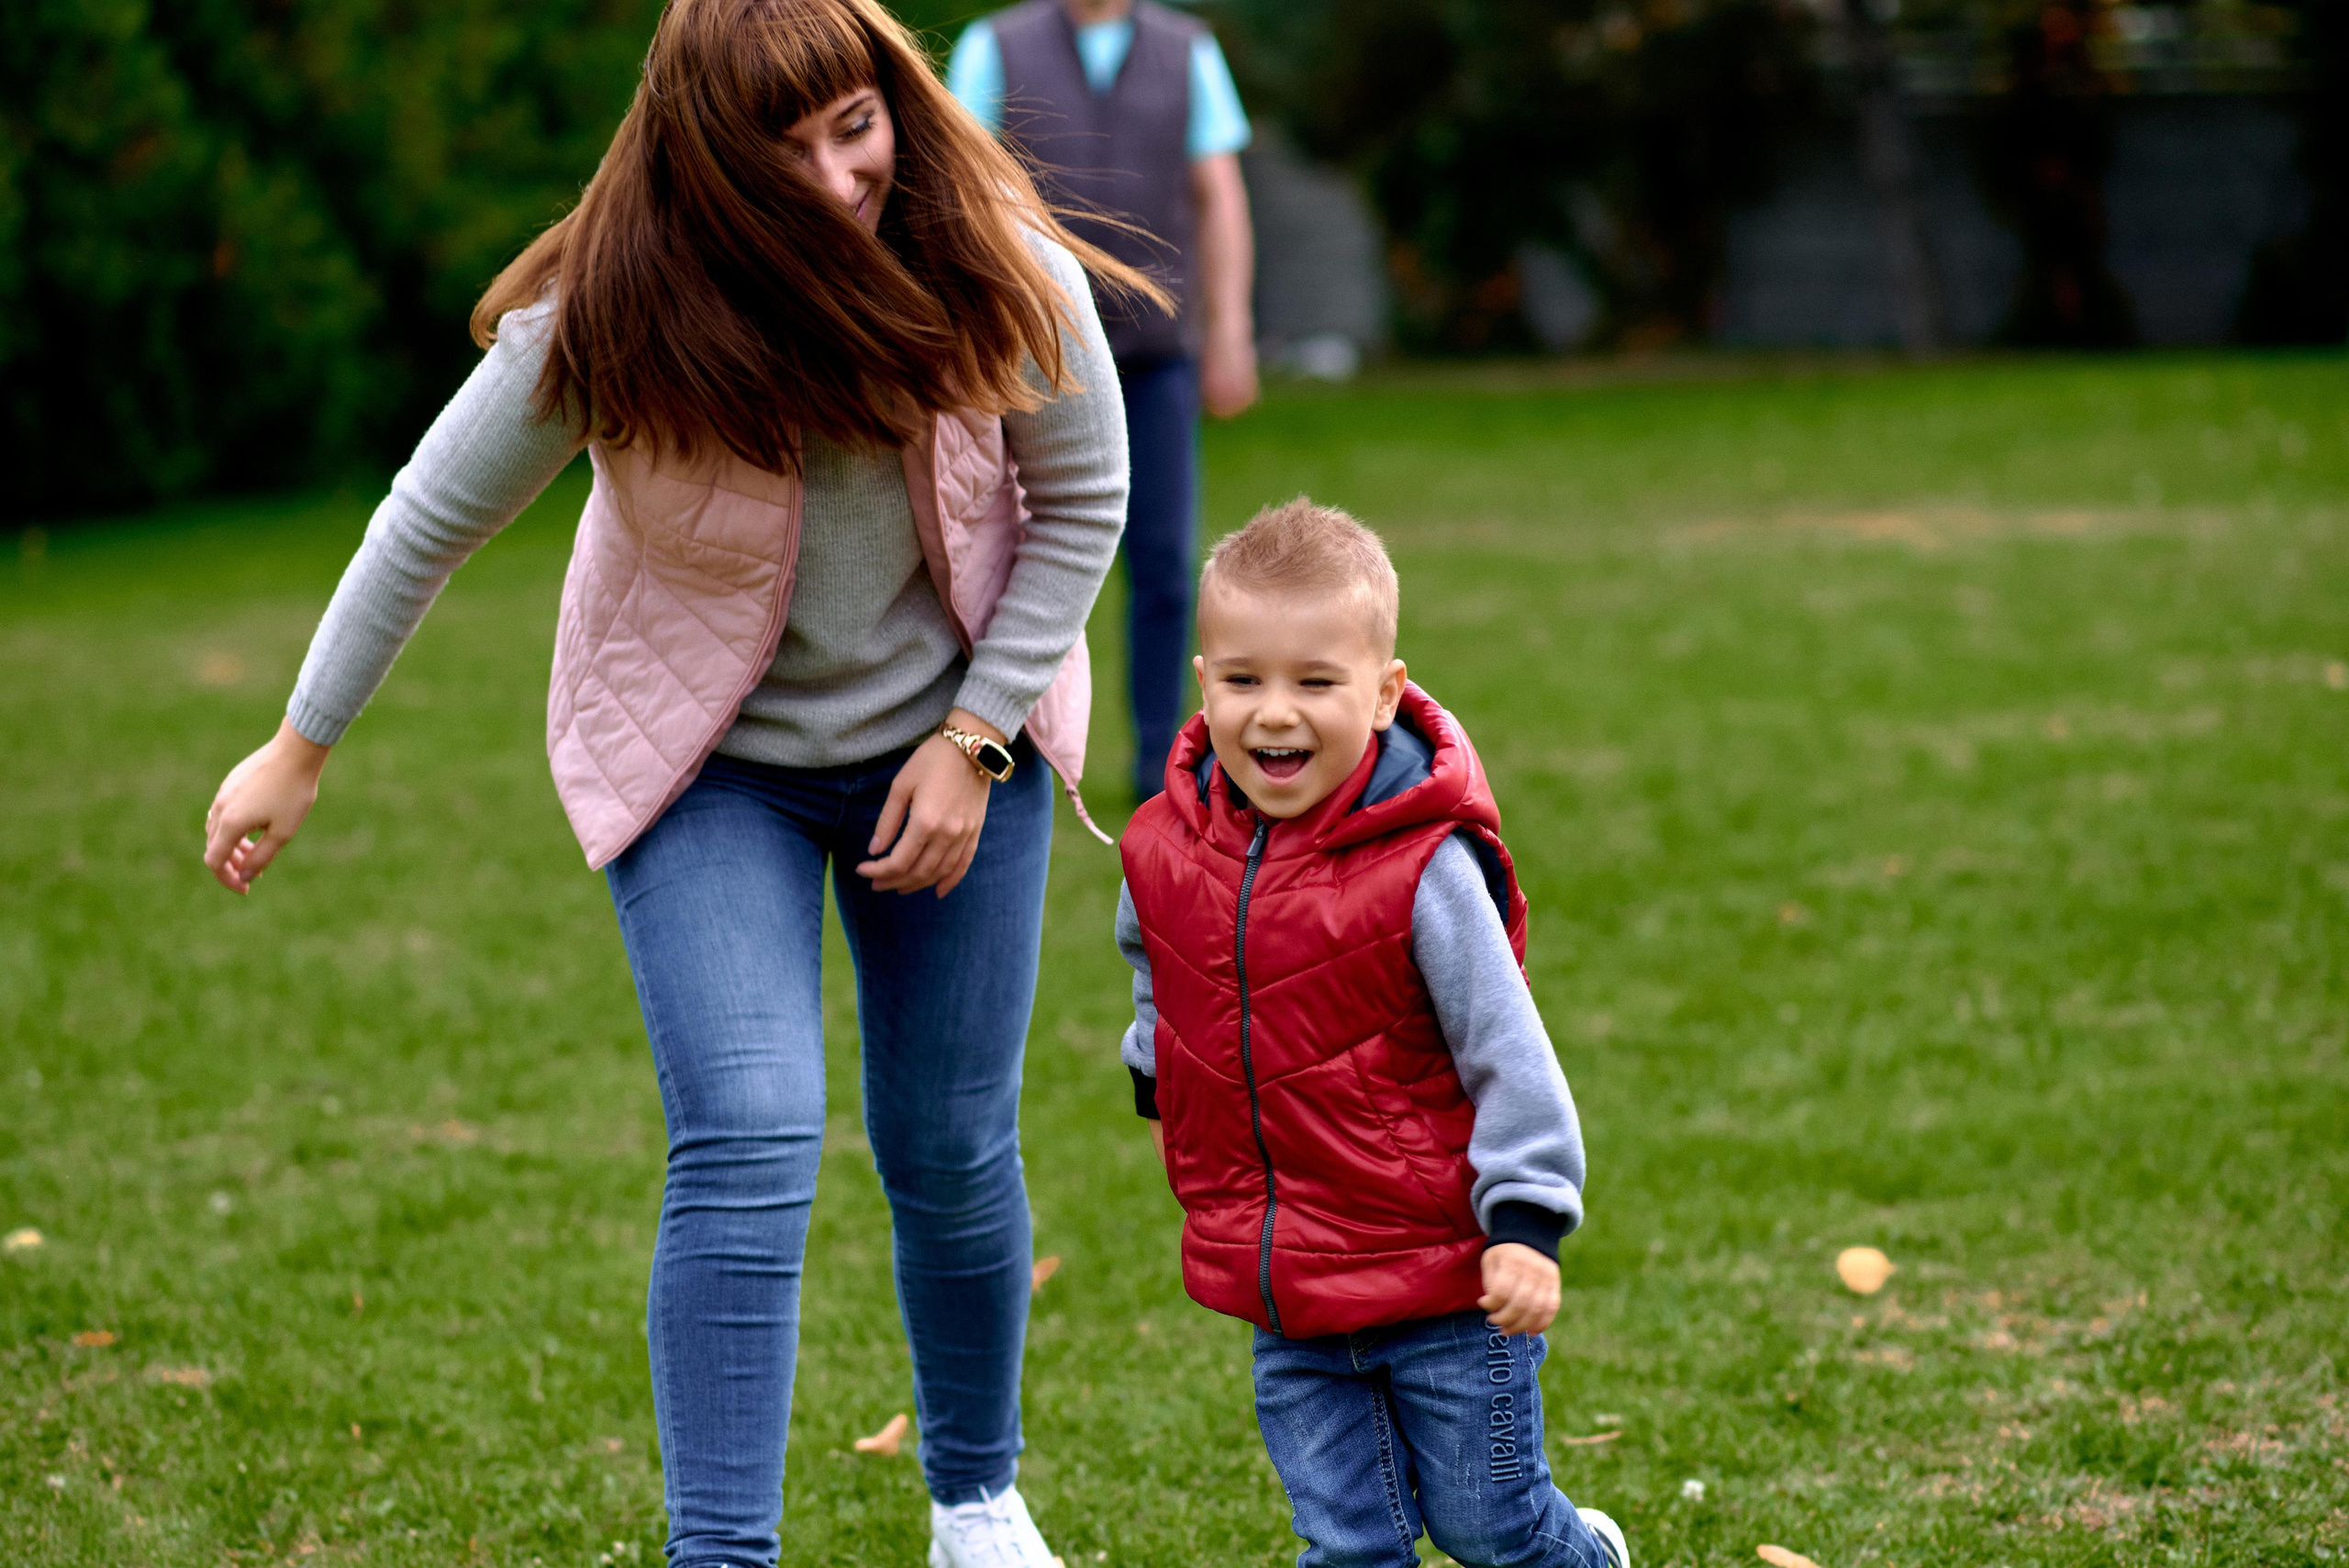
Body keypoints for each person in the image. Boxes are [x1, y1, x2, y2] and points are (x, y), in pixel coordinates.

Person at [198, 3, 1162, 1565]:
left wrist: (977, 734)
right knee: (752, 1125)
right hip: (714, 765)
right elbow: (425, 518)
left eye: (854, 123)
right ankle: (724, 1552)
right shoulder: (614, 310)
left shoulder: (991, 258)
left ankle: (977, 1500)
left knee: (950, 1141)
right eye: (784, 153)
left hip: (949, 745)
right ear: (703, 164)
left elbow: (1084, 498)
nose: (841, 177)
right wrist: (299, 741)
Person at [1112, 500, 1631, 1568]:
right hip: (1288, 1286)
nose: (1273, 714)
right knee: (1349, 1545)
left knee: (1494, 1531)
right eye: (1243, 680)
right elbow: (1154, 963)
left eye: (1315, 681)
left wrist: (1527, 1218)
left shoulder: (1425, 866)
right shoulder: (1166, 847)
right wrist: (1156, 1062)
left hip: (1444, 1278)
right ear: (1201, 679)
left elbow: (1505, 1044)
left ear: (1386, 692)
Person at [947, 0, 1261, 802]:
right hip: (1032, 352)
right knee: (1011, 555)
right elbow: (958, 187)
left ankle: (1161, 761)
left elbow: (1219, 194)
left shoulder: (1187, 50)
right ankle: (1002, 737)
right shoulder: (995, 48)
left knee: (1161, 562)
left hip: (1157, 351)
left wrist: (1230, 331)